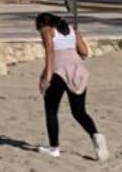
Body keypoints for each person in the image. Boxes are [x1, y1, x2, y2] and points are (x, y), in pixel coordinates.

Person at [36, 12, 109, 161]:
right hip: (78, 70)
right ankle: (96, 135)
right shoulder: (72, 30)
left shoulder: (46, 30)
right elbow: (84, 52)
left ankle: (54, 148)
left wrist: (46, 78)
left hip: (58, 72)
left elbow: (50, 55)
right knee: (79, 112)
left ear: (42, 24)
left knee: (51, 110)